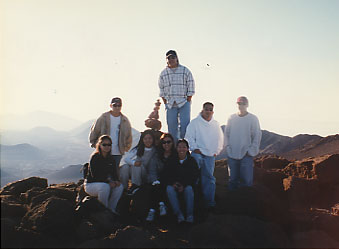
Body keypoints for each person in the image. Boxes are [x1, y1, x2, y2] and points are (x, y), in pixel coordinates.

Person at [185, 102, 224, 211]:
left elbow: (220, 139)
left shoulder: (215, 124)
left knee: (209, 178)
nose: (208, 111)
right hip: (197, 153)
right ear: (202, 110)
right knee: (195, 177)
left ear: (213, 112)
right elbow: (189, 137)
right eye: (206, 109)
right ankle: (193, 201)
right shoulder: (195, 123)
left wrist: (217, 151)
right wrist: (194, 148)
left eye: (210, 110)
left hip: (210, 155)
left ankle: (209, 203)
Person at [225, 96, 262, 190]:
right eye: (239, 103)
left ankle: (245, 202)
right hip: (232, 154)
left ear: (247, 105)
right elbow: (226, 134)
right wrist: (228, 148)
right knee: (232, 180)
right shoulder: (231, 118)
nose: (241, 106)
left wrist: (251, 151)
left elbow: (257, 135)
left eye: (243, 103)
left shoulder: (253, 119)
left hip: (246, 154)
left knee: (246, 182)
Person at [158, 50, 195, 141]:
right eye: (169, 58)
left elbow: (191, 84)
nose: (171, 60)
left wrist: (189, 98)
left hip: (183, 102)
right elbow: (161, 88)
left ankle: (185, 148)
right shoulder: (163, 73)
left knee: (185, 127)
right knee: (171, 128)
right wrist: (165, 101)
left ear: (177, 58)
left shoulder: (185, 70)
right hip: (170, 104)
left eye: (173, 57)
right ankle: (174, 148)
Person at [84, 135, 124, 214]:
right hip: (91, 185)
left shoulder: (111, 159)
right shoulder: (95, 157)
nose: (107, 147)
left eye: (109, 144)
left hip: (104, 183)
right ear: (99, 145)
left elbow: (114, 173)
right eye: (104, 144)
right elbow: (94, 175)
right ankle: (103, 210)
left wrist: (116, 181)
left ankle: (111, 209)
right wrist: (108, 181)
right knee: (104, 187)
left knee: (120, 187)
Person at [162, 139, 199, 224]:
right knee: (169, 189)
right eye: (179, 147)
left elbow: (194, 176)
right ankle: (179, 215)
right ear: (176, 148)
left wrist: (184, 184)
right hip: (174, 184)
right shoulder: (171, 160)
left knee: (189, 189)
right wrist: (173, 183)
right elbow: (165, 174)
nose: (181, 149)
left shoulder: (191, 161)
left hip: (187, 185)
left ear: (187, 149)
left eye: (184, 147)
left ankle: (190, 216)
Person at [89, 97, 132, 167]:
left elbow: (129, 135)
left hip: (118, 152)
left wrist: (126, 147)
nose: (117, 107)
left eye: (119, 105)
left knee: (114, 172)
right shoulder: (104, 117)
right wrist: (94, 143)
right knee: (102, 171)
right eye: (115, 105)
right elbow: (95, 130)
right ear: (111, 106)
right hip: (104, 150)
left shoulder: (124, 120)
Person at [144, 133, 176, 222]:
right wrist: (155, 180)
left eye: (168, 142)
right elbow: (152, 170)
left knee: (161, 186)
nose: (166, 144)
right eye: (164, 142)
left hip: (171, 180)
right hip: (158, 179)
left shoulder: (175, 155)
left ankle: (153, 209)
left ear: (172, 143)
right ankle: (159, 206)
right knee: (155, 187)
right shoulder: (157, 155)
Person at [120, 130, 157, 195]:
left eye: (150, 138)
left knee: (137, 166)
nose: (148, 140)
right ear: (142, 140)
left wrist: (135, 164)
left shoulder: (155, 150)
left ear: (153, 139)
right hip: (136, 172)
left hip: (147, 174)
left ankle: (136, 186)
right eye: (145, 139)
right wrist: (133, 163)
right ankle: (124, 188)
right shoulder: (139, 149)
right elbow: (126, 159)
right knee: (125, 167)